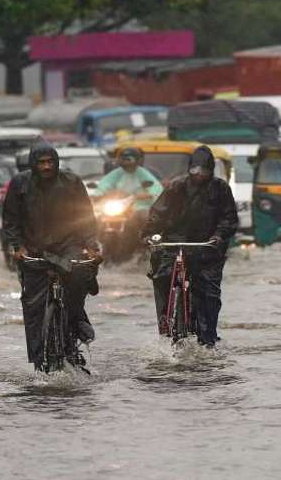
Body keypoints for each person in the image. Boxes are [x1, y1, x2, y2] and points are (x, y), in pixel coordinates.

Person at [1, 141, 101, 370]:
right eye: (41, 163)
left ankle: (76, 322)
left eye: (50, 162)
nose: (46, 167)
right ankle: (39, 359)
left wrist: (90, 244)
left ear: (57, 163)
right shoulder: (20, 184)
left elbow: (85, 216)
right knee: (34, 305)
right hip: (34, 248)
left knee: (79, 277)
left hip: (68, 245)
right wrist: (17, 246)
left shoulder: (72, 182)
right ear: (33, 165)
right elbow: (11, 219)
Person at [141, 145, 239, 347]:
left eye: (204, 170)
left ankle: (207, 339)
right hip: (174, 243)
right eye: (195, 170)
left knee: (208, 293)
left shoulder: (220, 188)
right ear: (189, 169)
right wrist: (150, 234)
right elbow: (158, 213)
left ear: (211, 170)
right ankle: (166, 328)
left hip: (207, 246)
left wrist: (218, 236)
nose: (199, 175)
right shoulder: (176, 187)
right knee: (162, 279)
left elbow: (228, 218)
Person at [92, 146, 164, 225]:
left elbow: (155, 187)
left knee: (143, 216)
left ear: (137, 160)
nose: (126, 162)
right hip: (119, 205)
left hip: (139, 206)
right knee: (98, 218)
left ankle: (142, 236)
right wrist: (98, 194)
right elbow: (105, 184)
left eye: (128, 159)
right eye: (123, 159)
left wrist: (150, 194)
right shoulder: (117, 173)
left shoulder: (143, 174)